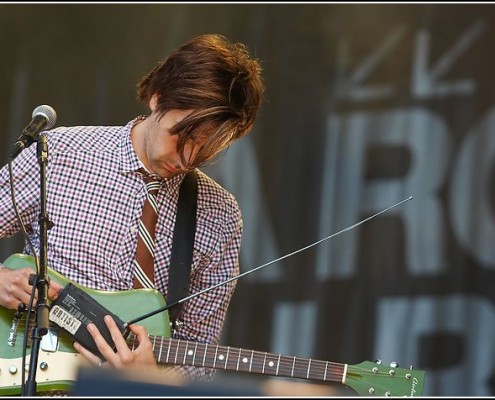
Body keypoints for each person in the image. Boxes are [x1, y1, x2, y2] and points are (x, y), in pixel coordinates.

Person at [0, 33, 264, 383]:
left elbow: (200, 357)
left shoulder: (220, 214)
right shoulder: (61, 153)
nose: (187, 160)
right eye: (181, 138)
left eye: (204, 150)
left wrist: (152, 377)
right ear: (157, 97)